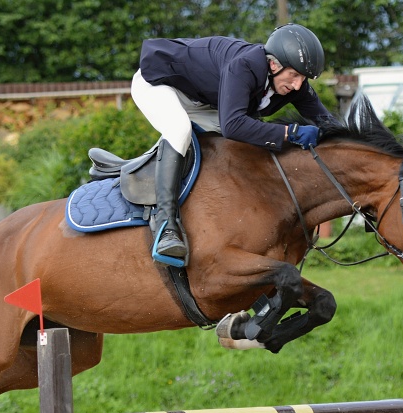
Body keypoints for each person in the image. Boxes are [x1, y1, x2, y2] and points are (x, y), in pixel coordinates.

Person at [130, 23, 334, 264]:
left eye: (303, 78)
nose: (298, 85)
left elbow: (327, 122)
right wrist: (290, 133)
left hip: (201, 101)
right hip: (157, 83)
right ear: (274, 64)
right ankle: (166, 227)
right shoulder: (244, 66)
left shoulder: (292, 84)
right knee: (179, 130)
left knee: (242, 146)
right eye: (295, 75)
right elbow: (234, 126)